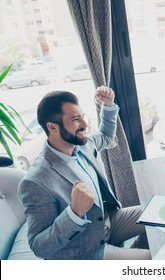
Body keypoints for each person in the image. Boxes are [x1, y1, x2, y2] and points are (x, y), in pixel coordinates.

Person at [17, 87, 151, 260]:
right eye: (75, 119)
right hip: (85, 249)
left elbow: (106, 136)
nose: (84, 124)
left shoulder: (82, 145)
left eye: (82, 117)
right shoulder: (35, 181)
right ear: (52, 127)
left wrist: (108, 105)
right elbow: (40, 247)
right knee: (157, 259)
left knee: (161, 216)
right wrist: (74, 212)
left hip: (108, 222)